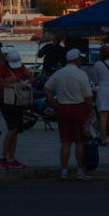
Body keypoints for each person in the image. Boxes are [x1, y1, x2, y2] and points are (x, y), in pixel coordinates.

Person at [44, 49, 94, 181]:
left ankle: (64, 171)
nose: (81, 61)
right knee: (79, 142)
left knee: (65, 142)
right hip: (78, 108)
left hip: (63, 108)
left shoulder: (58, 73)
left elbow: (46, 88)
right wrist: (91, 110)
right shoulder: (81, 74)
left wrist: (54, 104)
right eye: (80, 58)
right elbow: (88, 97)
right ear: (75, 59)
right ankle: (79, 171)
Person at [0, 48, 33, 169]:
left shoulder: (21, 67)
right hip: (6, 100)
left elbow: (31, 78)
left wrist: (20, 81)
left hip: (18, 100)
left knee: (16, 130)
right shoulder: (1, 68)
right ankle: (4, 156)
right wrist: (6, 83)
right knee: (12, 129)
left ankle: (11, 157)